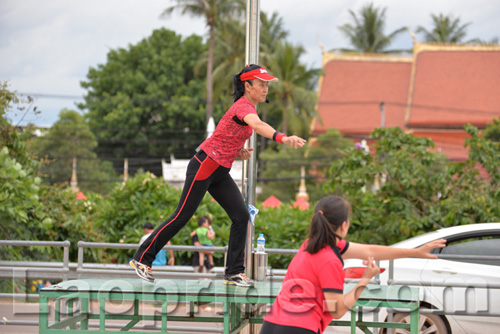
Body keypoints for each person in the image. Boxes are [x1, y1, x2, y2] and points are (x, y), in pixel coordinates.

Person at [130, 64, 306, 286]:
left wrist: (236, 151)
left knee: (241, 217)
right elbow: (258, 126)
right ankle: (142, 259)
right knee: (181, 216)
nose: (265, 89)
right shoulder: (244, 107)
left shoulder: (248, 108)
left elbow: (227, 135)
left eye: (267, 85)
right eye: (261, 84)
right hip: (204, 165)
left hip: (220, 170)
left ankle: (234, 271)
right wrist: (283, 137)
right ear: (247, 86)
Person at [260, 195, 446, 334]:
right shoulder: (329, 260)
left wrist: (415, 252)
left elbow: (370, 251)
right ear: (344, 225)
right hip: (299, 328)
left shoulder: (310, 244)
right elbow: (338, 310)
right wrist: (365, 280)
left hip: (271, 323)